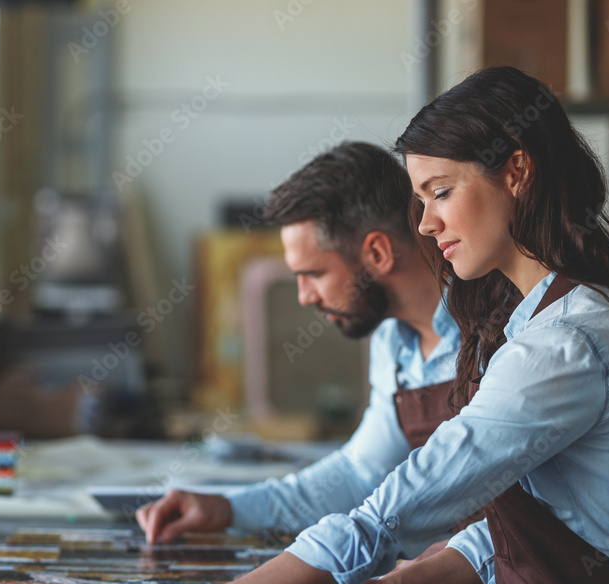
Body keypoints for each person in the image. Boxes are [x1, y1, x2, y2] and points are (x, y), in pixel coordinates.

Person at [53, 67, 609, 584]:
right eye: (419, 201)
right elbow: (518, 535)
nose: (427, 225)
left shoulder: (565, 342)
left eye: (440, 192)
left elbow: (388, 514)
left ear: (516, 172)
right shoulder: (534, 319)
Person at [136, 141, 461, 555]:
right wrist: (227, 509)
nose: (304, 297)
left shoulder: (499, 329)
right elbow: (358, 473)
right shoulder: (392, 339)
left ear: (377, 253)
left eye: (314, 274)